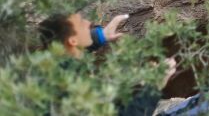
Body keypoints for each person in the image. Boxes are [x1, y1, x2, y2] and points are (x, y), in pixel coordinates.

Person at [38, 12, 177, 116]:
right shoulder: (71, 91)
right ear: (73, 41)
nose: (88, 23)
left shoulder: (54, 68)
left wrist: (101, 35)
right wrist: (153, 88)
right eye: (81, 23)